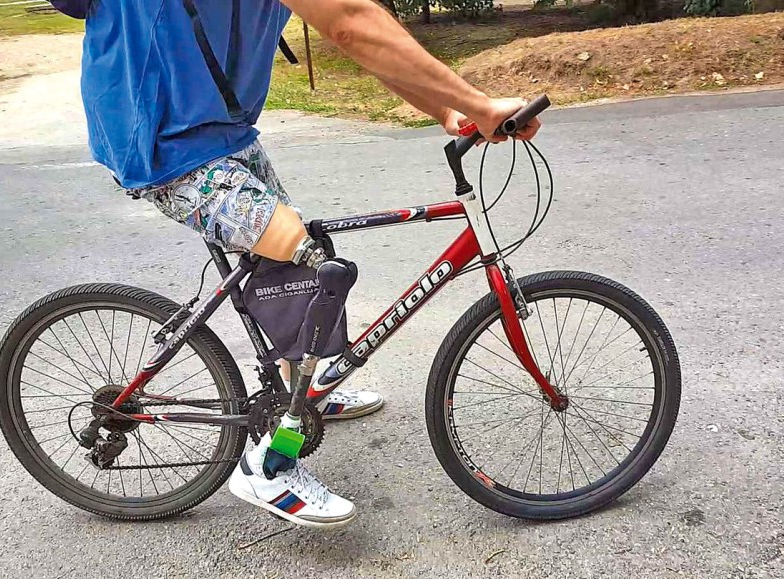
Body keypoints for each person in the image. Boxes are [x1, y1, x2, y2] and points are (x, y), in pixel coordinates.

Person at [80, 0, 542, 529]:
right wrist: (478, 103)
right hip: (161, 145)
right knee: (305, 253)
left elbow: (358, 28)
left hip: (222, 135)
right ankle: (268, 464)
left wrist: (446, 111)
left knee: (294, 267)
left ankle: (305, 391)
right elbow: (350, 22)